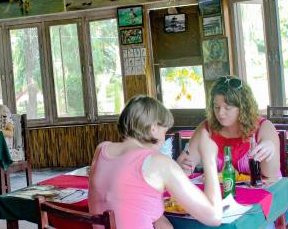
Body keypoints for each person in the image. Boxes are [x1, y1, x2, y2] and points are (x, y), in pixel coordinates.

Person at [89, 95, 222, 229]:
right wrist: (209, 158)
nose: (164, 139)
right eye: (164, 132)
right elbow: (214, 217)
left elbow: (131, 194)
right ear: (153, 129)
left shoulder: (101, 149)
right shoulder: (158, 162)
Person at [177, 75, 281, 179]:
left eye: (227, 108)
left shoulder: (263, 127)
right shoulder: (207, 128)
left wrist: (270, 152)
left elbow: (270, 174)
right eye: (216, 107)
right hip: (222, 193)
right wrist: (183, 166)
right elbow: (187, 167)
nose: (220, 113)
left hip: (262, 192)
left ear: (242, 107)